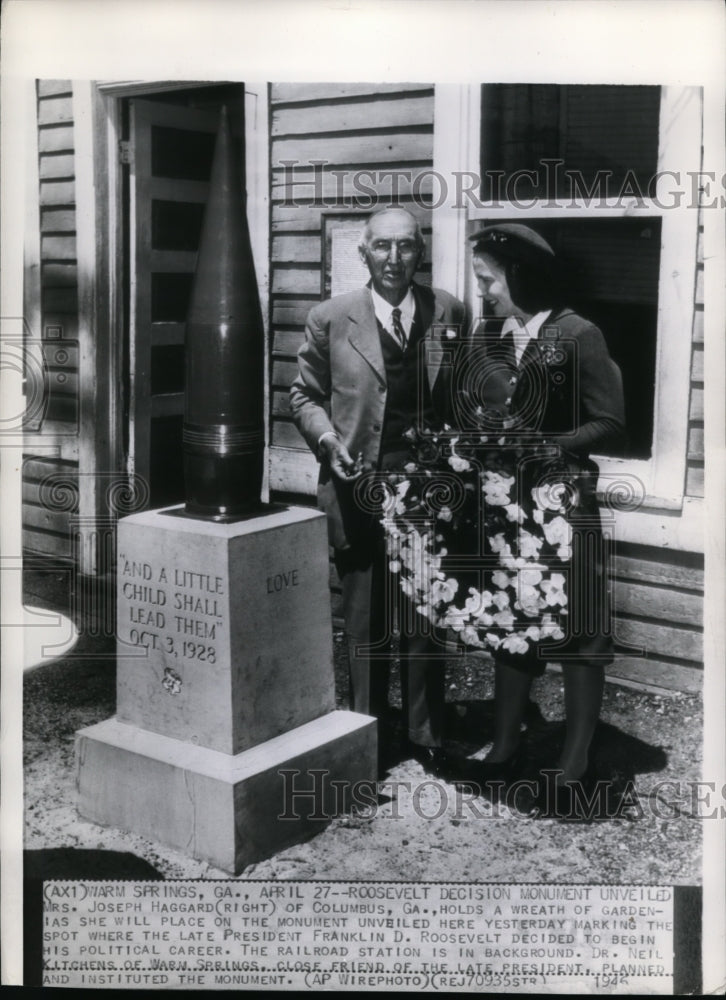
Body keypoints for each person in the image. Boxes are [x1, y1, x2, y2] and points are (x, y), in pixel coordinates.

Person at [289, 206, 466, 776]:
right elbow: (304, 396)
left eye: (406, 247)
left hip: (429, 492)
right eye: (383, 247)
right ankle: (363, 732)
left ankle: (425, 732)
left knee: (425, 611)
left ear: (421, 252)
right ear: (363, 253)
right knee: (365, 616)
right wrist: (325, 441)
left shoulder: (450, 314)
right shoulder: (331, 317)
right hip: (357, 486)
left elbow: (464, 398)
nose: (395, 259)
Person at [466, 223, 626, 817]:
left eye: (488, 280)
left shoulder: (578, 335)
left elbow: (610, 422)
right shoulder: (492, 335)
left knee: (580, 632)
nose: (482, 291)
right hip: (510, 508)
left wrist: (548, 445)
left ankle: (575, 759)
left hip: (566, 505)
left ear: (520, 276)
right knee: (513, 620)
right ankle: (505, 746)